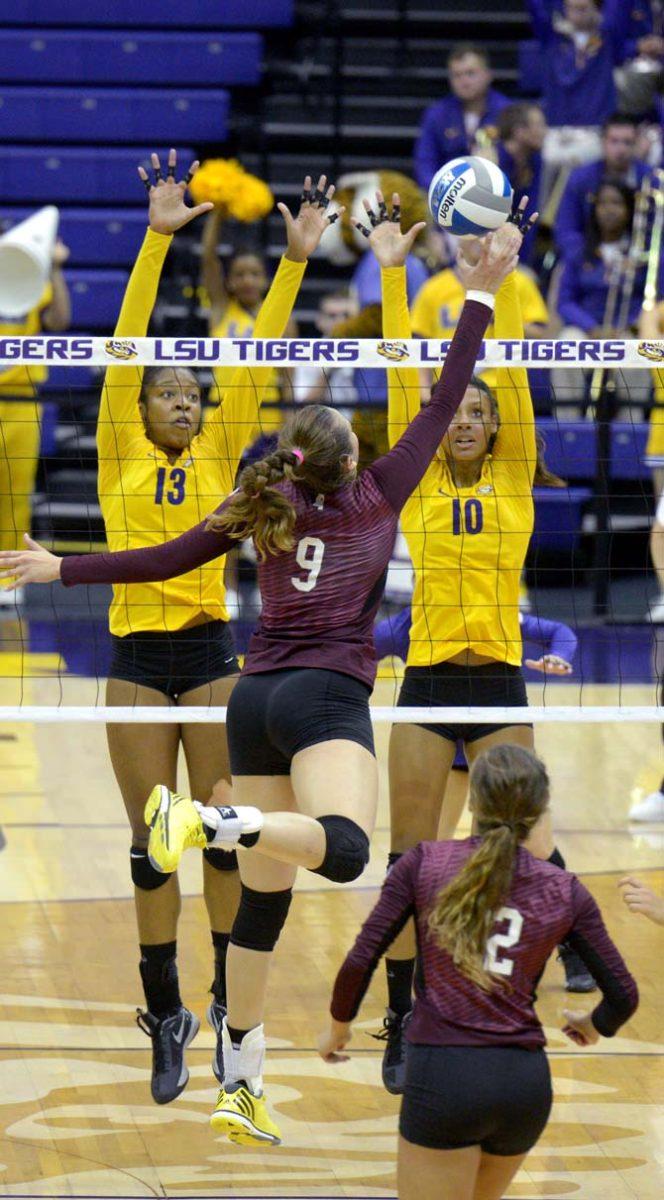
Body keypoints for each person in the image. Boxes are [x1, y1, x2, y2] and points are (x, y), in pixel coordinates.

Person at [0, 208, 521, 1147]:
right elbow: (441, 395)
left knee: (265, 901)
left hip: (247, 697)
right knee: (350, 849)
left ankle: (237, 1076)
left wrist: (61, 569)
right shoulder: (380, 493)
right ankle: (208, 823)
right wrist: (485, 282)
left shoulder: (261, 501)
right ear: (354, 459)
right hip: (322, 696)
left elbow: (161, 559)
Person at [82, 150, 337, 1106]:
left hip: (212, 654)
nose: (186, 396)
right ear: (141, 406)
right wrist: (154, 243)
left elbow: (262, 352)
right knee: (154, 844)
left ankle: (232, 1008)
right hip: (137, 664)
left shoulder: (229, 447)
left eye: (194, 390)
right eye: (169, 390)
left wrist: (296, 261)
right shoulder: (118, 448)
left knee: (224, 837)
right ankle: (165, 1013)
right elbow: (124, 338)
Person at [379, 199, 595, 1096]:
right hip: (429, 685)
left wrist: (494, 285)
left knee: (525, 854)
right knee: (406, 859)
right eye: (452, 410)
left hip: (501, 686)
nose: (463, 417)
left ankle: (509, 994)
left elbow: (499, 376)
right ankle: (402, 1013)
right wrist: (395, 273)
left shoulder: (513, 477)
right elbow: (405, 386)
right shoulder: (419, 477)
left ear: (497, 426)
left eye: (477, 409)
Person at [318, 744, 638, 1200]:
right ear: (540, 810)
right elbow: (623, 993)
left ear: (472, 802)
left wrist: (338, 1028)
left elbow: (362, 957)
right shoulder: (565, 889)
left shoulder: (425, 863)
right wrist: (593, 1025)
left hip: (445, 1078)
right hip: (523, 1085)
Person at [374, 604, 577, 839]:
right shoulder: (402, 626)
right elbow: (364, 647)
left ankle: (558, 874)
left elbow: (560, 632)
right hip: (444, 753)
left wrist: (559, 656)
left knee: (530, 843)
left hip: (496, 729)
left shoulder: (488, 613)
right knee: (434, 846)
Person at [0, 229, 70, 607]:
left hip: (20, 399)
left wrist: (55, 268)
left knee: (13, 490)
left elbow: (59, 322)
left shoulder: (29, 278)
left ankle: (8, 576)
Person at [553, 179, 660, 419]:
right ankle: (568, 428)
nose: (609, 210)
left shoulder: (645, 255)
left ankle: (630, 431)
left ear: (629, 209)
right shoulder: (579, 251)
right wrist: (592, 328)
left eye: (617, 203)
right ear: (594, 209)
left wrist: (632, 325)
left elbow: (656, 299)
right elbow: (565, 302)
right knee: (566, 346)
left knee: (639, 353)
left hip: (629, 330)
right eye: (603, 204)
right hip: (587, 331)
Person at [201, 201, 296, 441]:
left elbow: (288, 377)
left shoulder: (283, 317)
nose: (247, 281)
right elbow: (208, 259)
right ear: (229, 281)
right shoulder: (222, 308)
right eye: (239, 274)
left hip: (267, 414)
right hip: (221, 411)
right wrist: (217, 213)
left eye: (254, 274)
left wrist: (290, 424)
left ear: (266, 279)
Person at [526, 1, 632, 145]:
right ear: (564, 8)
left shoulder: (606, 38)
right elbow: (537, 8)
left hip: (597, 130)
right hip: (558, 130)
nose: (577, 13)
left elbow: (620, 8)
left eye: (583, 8)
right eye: (572, 7)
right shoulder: (552, 37)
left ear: (596, 9)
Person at [554, 114, 651, 263]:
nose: (621, 149)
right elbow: (566, 230)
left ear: (636, 144)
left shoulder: (652, 180)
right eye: (614, 141)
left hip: (638, 262)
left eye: (628, 142)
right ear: (603, 142)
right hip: (588, 258)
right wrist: (588, 256)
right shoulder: (580, 179)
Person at [414, 45, 509, 192]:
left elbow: (517, 162)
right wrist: (439, 191)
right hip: (448, 194)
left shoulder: (506, 112)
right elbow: (425, 162)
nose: (464, 81)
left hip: (496, 195)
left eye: (470, 73)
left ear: (488, 75)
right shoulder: (437, 114)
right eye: (457, 75)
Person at [493, 102, 547, 265]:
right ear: (519, 131)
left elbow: (529, 215)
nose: (545, 132)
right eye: (539, 125)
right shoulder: (493, 162)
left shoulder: (534, 160)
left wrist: (521, 264)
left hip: (517, 251)